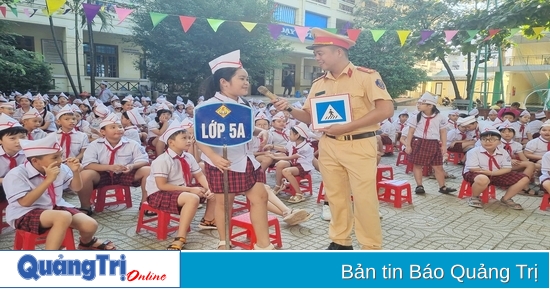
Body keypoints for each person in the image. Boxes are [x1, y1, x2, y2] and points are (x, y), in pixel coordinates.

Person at [272, 28, 393, 250]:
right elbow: (309, 117)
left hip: (359, 143)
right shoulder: (319, 84)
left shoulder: (366, 76)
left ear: (338, 52)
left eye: (321, 53)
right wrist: (289, 108)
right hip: (328, 146)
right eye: (316, 53)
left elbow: (386, 109)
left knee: (364, 199)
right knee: (336, 197)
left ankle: (371, 247)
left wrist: (347, 126)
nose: (317, 57)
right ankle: (341, 241)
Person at [196, 50, 273, 250]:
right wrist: (213, 156)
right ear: (224, 82)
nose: (246, 82)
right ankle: (224, 243)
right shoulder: (208, 107)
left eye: (247, 78)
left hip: (247, 160)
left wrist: (258, 132)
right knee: (225, 205)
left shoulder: (244, 104)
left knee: (261, 197)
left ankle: (264, 246)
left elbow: (243, 126)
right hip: (223, 163)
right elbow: (199, 136)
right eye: (242, 78)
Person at [3, 133, 116, 250]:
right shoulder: (16, 174)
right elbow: (25, 203)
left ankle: (86, 242)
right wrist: (48, 180)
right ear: (36, 161)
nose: (60, 160)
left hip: (54, 207)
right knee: (63, 217)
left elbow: (76, 188)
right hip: (24, 212)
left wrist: (76, 172)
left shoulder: (60, 167)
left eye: (60, 156)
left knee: (90, 225)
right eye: (55, 157)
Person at [145, 121, 214, 250]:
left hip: (180, 190)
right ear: (171, 142)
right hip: (159, 194)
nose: (188, 141)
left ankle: (208, 220)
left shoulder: (188, 156)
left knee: (215, 190)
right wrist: (190, 189)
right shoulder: (162, 160)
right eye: (184, 138)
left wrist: (209, 188)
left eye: (189, 138)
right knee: (192, 198)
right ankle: (180, 238)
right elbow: (162, 186)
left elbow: (199, 175)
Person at [78, 113, 151, 215]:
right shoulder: (95, 145)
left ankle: (145, 204)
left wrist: (132, 166)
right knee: (84, 174)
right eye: (113, 127)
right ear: (103, 132)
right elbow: (88, 164)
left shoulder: (132, 143)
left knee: (148, 170)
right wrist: (109, 167)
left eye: (120, 126)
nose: (118, 129)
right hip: (103, 174)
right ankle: (85, 206)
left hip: (125, 173)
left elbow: (144, 160)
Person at [463, 127, 528, 210]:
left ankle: (506, 198)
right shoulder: (474, 151)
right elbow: (473, 168)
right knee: (482, 179)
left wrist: (492, 173)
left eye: (492, 139)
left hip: (495, 173)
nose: (488, 142)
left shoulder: (503, 152)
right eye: (484, 139)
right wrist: (488, 173)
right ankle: (474, 197)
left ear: (499, 141)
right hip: (476, 173)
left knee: (524, 178)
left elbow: (507, 169)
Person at [405, 92, 456, 194]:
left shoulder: (440, 117)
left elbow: (443, 132)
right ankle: (419, 186)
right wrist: (408, 145)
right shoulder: (416, 116)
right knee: (418, 165)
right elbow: (410, 131)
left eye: (421, 104)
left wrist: (444, 146)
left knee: (438, 166)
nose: (418, 105)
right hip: (419, 142)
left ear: (430, 105)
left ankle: (443, 187)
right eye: (418, 103)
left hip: (433, 143)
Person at [270, 122, 315, 203]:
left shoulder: (306, 147)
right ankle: (278, 185)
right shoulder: (292, 143)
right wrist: (272, 147)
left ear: (297, 135)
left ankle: (299, 193)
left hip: (303, 167)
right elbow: (285, 149)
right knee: (280, 164)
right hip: (294, 163)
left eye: (290, 134)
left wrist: (274, 157)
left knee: (286, 171)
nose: (288, 135)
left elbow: (291, 157)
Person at [0, 114, 27, 204]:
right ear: (0, 140)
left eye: (22, 137)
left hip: (23, 185)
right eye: (12, 138)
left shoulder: (29, 154)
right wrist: (8, 181)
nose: (19, 141)